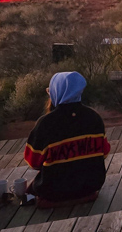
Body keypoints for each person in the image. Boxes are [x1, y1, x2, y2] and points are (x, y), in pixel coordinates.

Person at [24, 72, 111, 205]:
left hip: (53, 191)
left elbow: (33, 162)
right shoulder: (94, 118)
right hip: (90, 186)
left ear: (56, 92)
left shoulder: (45, 123)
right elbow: (104, 153)